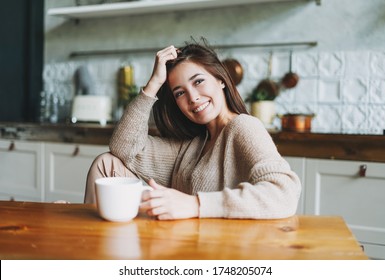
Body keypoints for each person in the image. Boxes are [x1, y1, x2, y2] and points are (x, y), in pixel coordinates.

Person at [85, 39, 301, 220]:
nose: (193, 97)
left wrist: (195, 205)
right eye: (179, 93)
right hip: (181, 242)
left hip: (220, 253)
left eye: (198, 81)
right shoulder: (194, 143)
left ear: (221, 80)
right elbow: (123, 148)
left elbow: (284, 193)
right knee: (107, 163)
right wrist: (153, 84)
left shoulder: (243, 126)